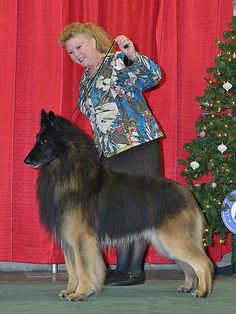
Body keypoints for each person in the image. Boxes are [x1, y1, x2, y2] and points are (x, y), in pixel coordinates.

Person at [59, 22, 164, 286]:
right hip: (109, 152)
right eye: (71, 52)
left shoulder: (118, 61)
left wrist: (132, 54)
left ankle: (134, 270)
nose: (77, 54)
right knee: (118, 208)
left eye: (79, 46)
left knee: (139, 206)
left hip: (137, 143)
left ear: (93, 40)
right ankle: (121, 267)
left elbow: (153, 76)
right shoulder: (85, 78)